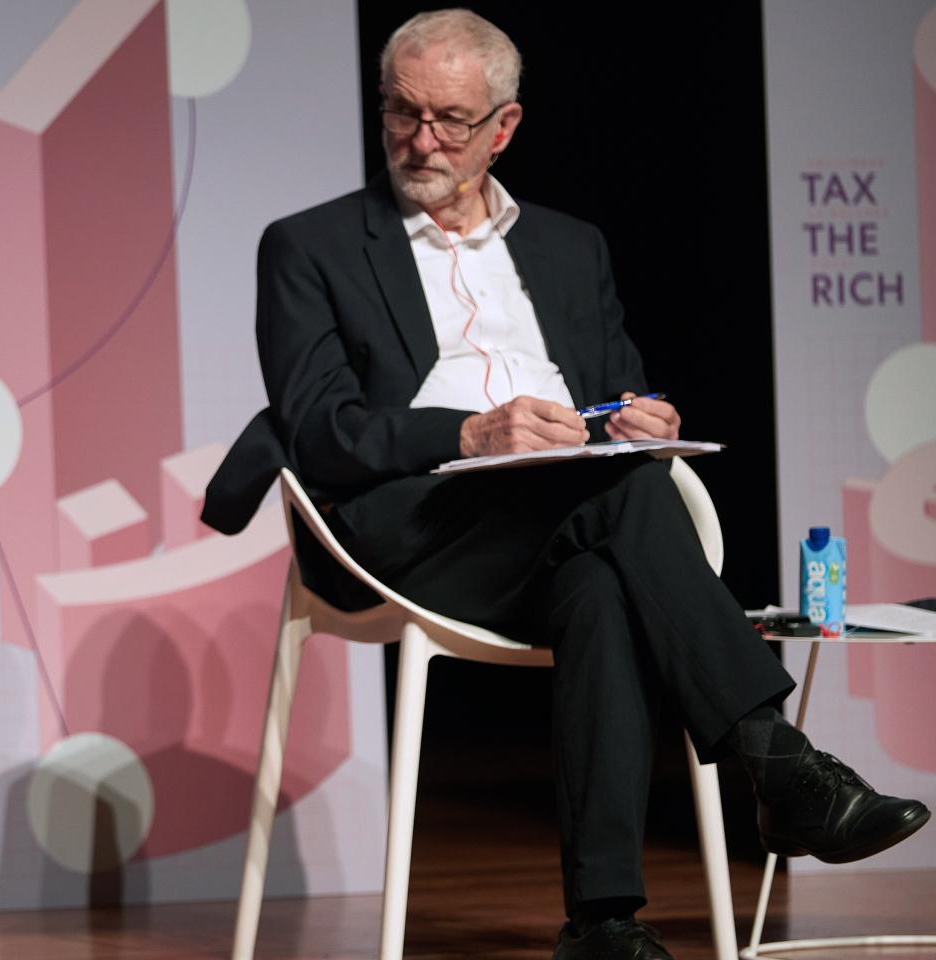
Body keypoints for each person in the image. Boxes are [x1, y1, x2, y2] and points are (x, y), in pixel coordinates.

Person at [205, 9, 928, 959]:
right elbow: (318, 430)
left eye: (450, 119)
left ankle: (602, 923)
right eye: (402, 112)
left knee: (601, 569)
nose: (421, 139)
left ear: (503, 127)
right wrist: (470, 432)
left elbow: (619, 388)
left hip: (559, 525)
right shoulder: (311, 245)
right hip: (406, 532)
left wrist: (642, 419)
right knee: (617, 499)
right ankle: (777, 760)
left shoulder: (569, 246)